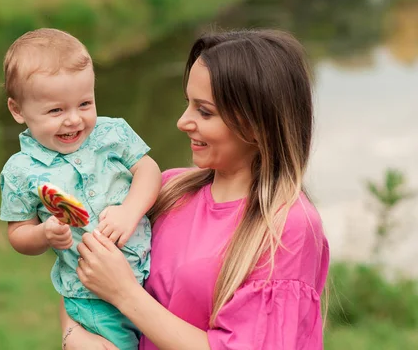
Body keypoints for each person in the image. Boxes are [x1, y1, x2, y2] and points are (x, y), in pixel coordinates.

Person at [60, 29, 330, 350]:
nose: (182, 121)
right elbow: (78, 266)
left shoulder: (287, 226)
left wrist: (124, 293)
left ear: (258, 125)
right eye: (187, 104)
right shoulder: (165, 190)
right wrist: (73, 337)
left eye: (204, 111)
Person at [0, 28, 162, 350]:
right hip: (90, 296)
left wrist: (130, 211)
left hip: (152, 275)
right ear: (18, 110)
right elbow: (18, 233)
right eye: (56, 111)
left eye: (85, 103)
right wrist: (44, 234)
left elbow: (148, 170)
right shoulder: (20, 172)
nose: (74, 120)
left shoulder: (112, 133)